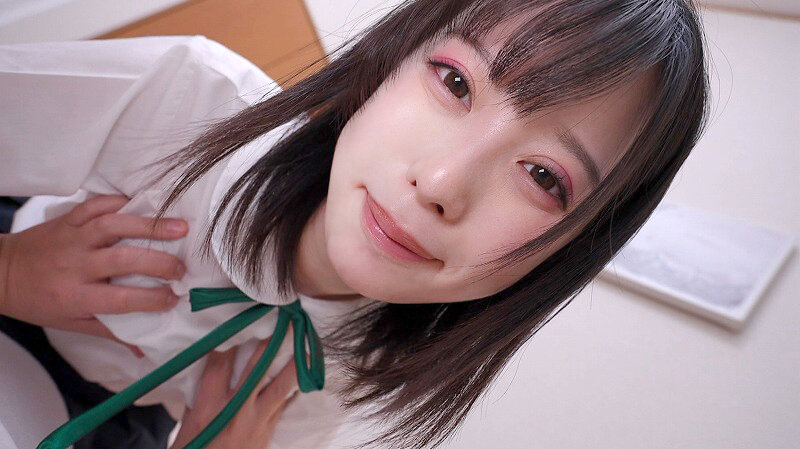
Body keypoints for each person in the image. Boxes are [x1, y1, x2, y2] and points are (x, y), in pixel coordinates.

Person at [0, 0, 711, 448]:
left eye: (543, 176)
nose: (440, 183)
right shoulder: (191, 98)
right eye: (456, 82)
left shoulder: (356, 368)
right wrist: (8, 271)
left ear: (562, 255)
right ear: (389, 63)